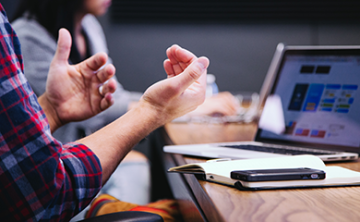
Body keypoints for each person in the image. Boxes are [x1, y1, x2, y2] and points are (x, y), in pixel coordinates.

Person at [0, 3, 210, 221]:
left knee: (136, 163)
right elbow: (46, 192)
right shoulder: (27, 36)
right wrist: (157, 109)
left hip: (65, 170)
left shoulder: (89, 26)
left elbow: (111, 97)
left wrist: (52, 110)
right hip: (57, 184)